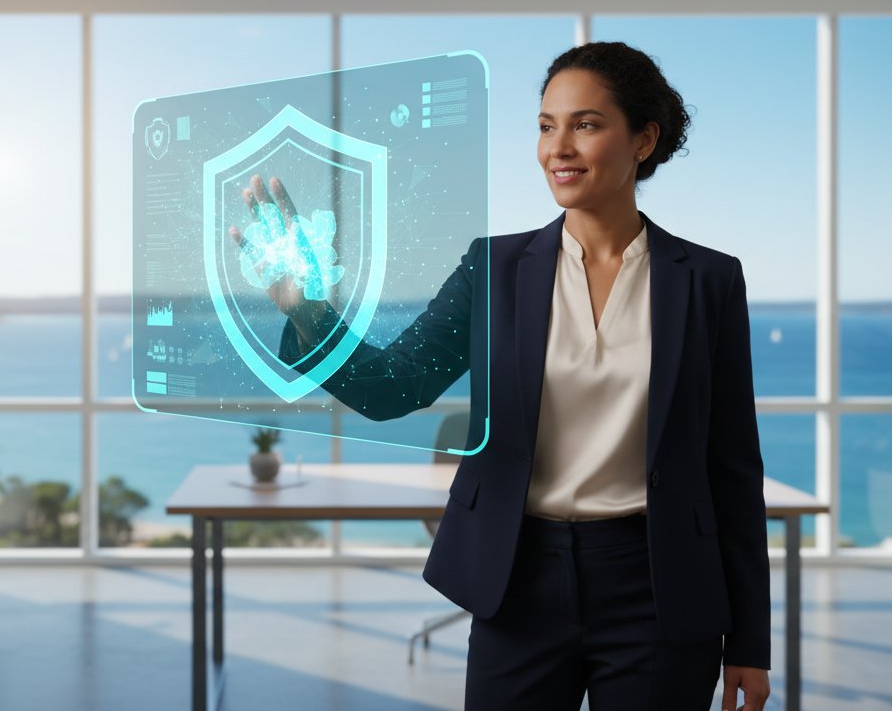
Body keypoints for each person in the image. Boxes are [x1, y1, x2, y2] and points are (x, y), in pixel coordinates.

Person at [228, 41, 770, 711]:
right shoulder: (494, 271)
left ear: (644, 140)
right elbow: (394, 386)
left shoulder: (708, 281)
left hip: (657, 587)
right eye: (546, 126)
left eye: (586, 124)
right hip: (519, 579)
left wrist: (750, 640)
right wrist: (309, 312)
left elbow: (732, 468)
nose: (558, 148)